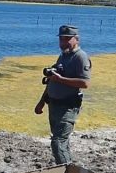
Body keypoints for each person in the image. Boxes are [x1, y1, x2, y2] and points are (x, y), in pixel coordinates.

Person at [34, 24, 91, 165]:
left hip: (68, 107)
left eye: (67, 39)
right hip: (54, 105)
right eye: (61, 39)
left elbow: (85, 83)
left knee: (57, 143)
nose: (63, 42)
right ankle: (68, 169)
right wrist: (42, 101)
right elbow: (52, 81)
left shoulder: (80, 57)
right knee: (61, 141)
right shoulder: (63, 56)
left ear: (76, 39)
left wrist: (61, 79)